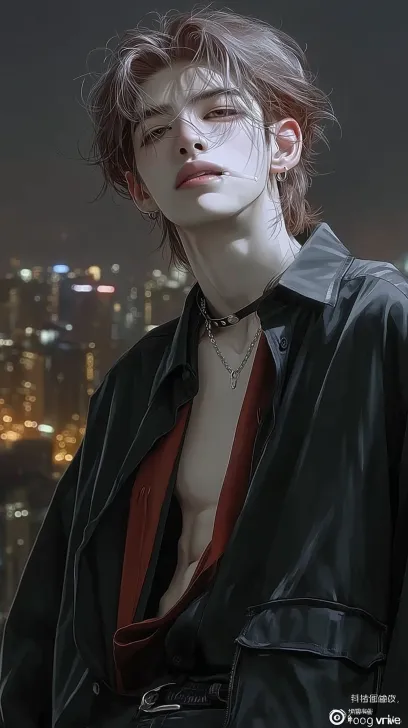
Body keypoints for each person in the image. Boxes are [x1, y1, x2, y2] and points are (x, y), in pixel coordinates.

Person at [1, 7, 407, 728]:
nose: (188, 137)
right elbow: (45, 623)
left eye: (219, 112)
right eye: (155, 131)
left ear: (284, 144)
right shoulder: (136, 382)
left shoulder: (377, 322)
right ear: (139, 186)